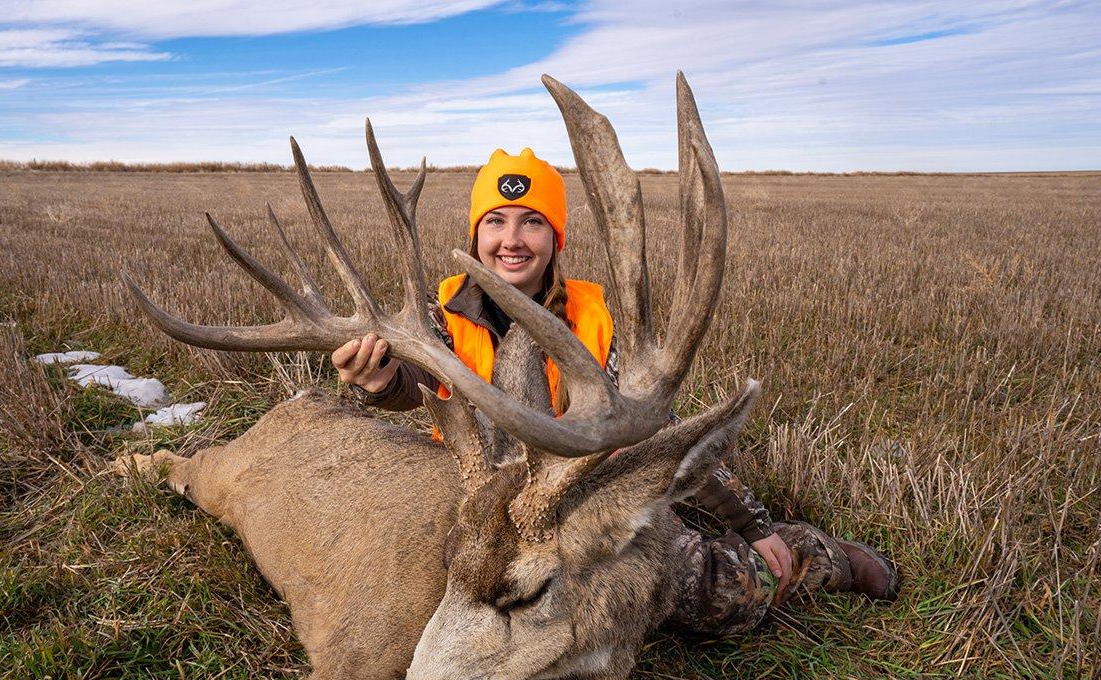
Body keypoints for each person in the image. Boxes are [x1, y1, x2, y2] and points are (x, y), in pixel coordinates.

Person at [331, 147, 897, 631]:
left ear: (556, 237)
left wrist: (751, 524)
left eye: (532, 222)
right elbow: (417, 384)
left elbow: (656, 435)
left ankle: (817, 555)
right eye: (495, 221)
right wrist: (380, 382)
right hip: (481, 496)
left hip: (585, 492)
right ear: (475, 234)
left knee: (719, 599)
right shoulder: (441, 314)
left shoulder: (595, 321)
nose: (512, 240)